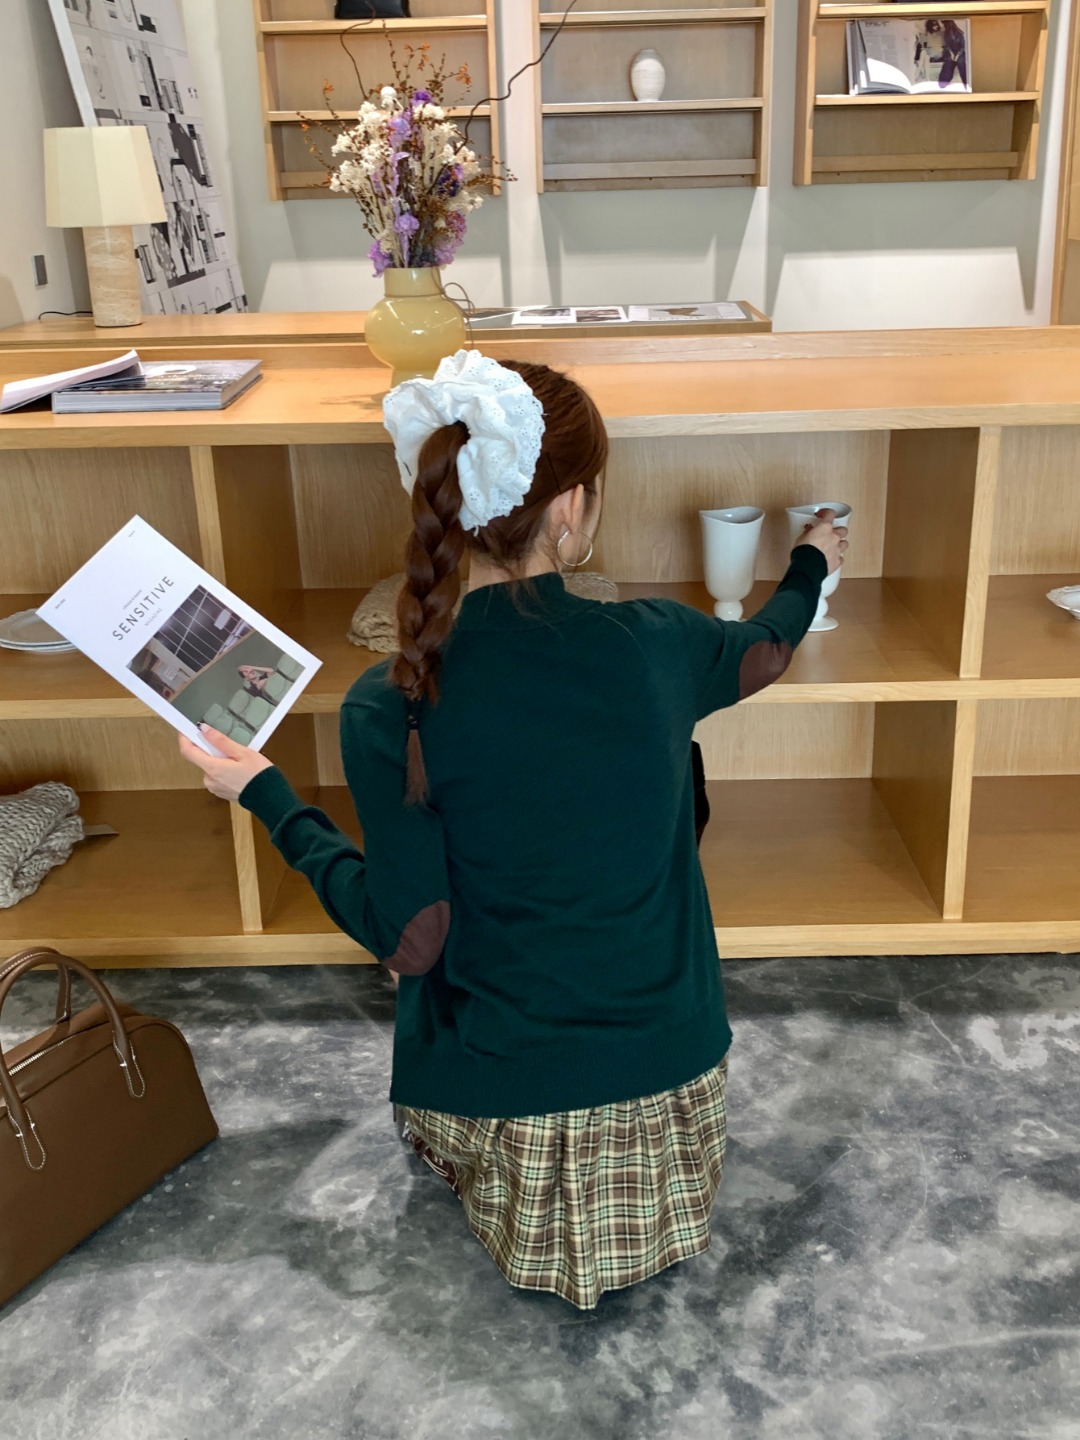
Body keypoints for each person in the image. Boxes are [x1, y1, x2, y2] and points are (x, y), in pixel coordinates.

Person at [180, 350, 847, 1309]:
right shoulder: (659, 643)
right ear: (570, 508)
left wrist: (266, 794)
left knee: (427, 919)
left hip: (510, 1110)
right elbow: (771, 648)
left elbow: (410, 942)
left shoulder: (390, 700)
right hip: (672, 1079)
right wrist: (813, 555)